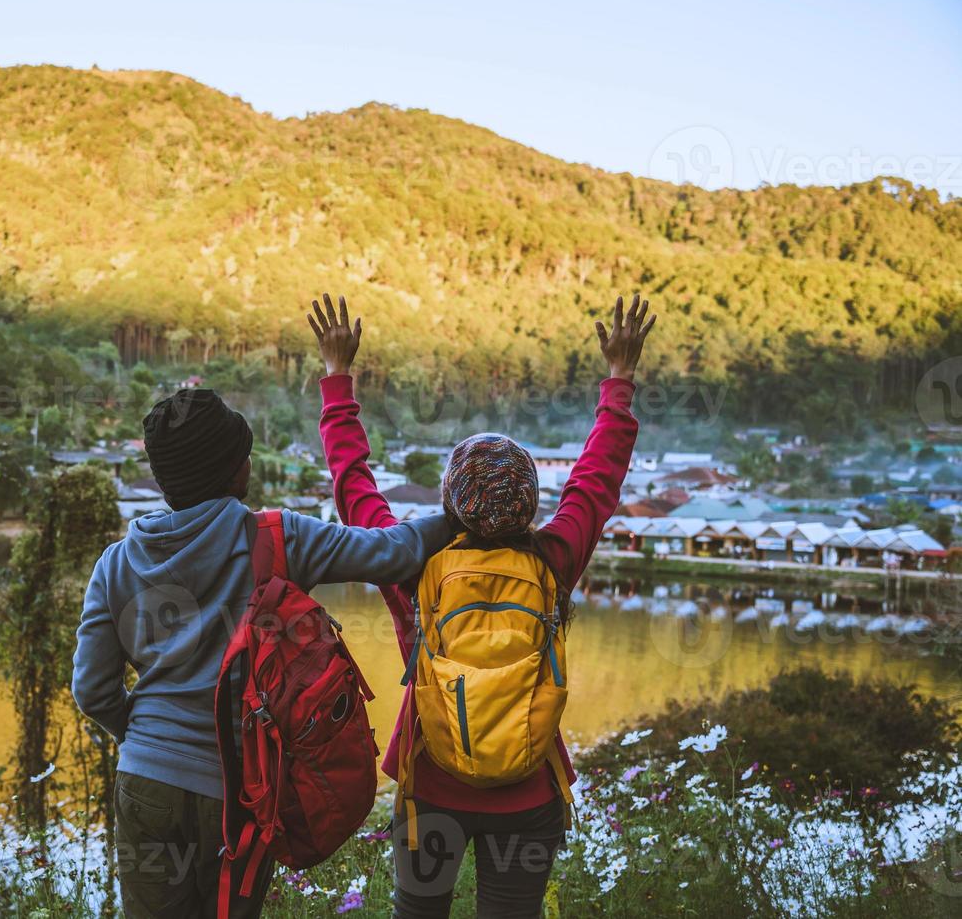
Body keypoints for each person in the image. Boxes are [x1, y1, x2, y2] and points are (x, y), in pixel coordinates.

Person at [307, 291, 654, 919]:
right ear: (530, 501)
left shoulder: (412, 565)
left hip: (430, 785)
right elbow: (597, 479)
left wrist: (338, 380)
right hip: (529, 793)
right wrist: (618, 380)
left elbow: (353, 484)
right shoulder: (554, 560)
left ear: (450, 500)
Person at [71, 387, 458, 919]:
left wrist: (144, 737)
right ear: (233, 470)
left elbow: (92, 690)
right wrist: (461, 513)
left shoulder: (114, 564)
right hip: (240, 791)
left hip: (145, 786)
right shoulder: (276, 538)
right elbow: (394, 553)